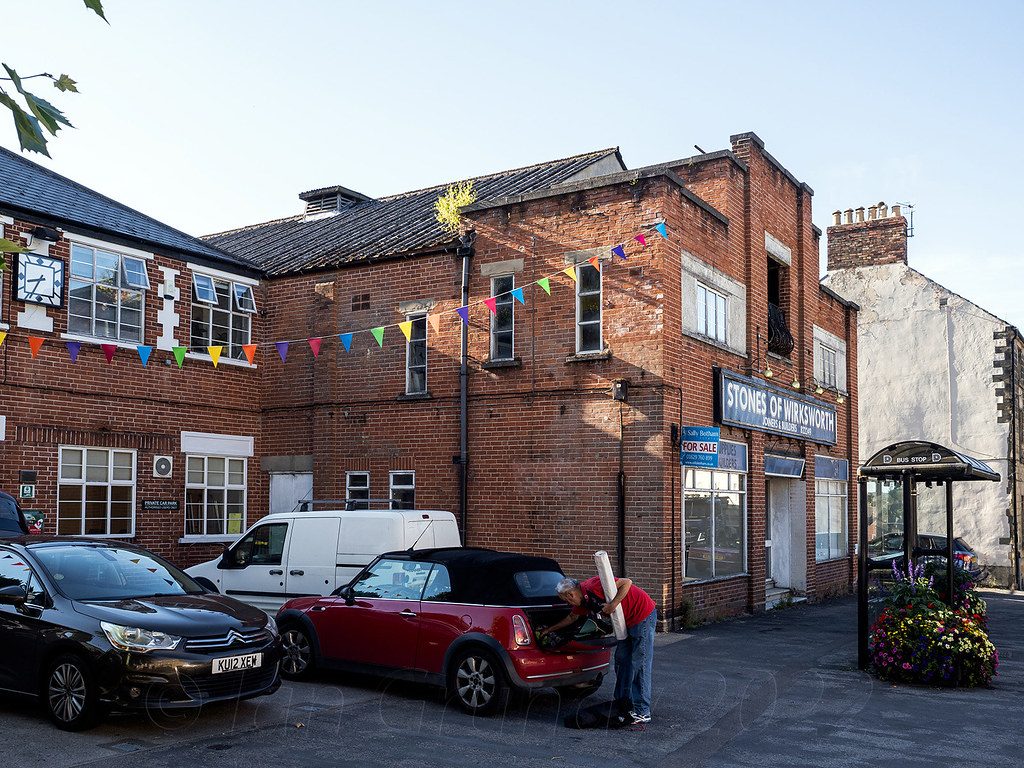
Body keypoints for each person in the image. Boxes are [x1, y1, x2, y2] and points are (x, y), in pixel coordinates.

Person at [540, 574, 656, 724]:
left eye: (567, 600)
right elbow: (571, 617)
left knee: (641, 662)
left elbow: (626, 583)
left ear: (570, 593)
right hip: (627, 622)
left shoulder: (593, 586)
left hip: (642, 615)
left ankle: (642, 711)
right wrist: (549, 630)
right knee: (622, 660)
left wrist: (613, 605)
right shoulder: (583, 601)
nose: (569, 603)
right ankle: (622, 703)